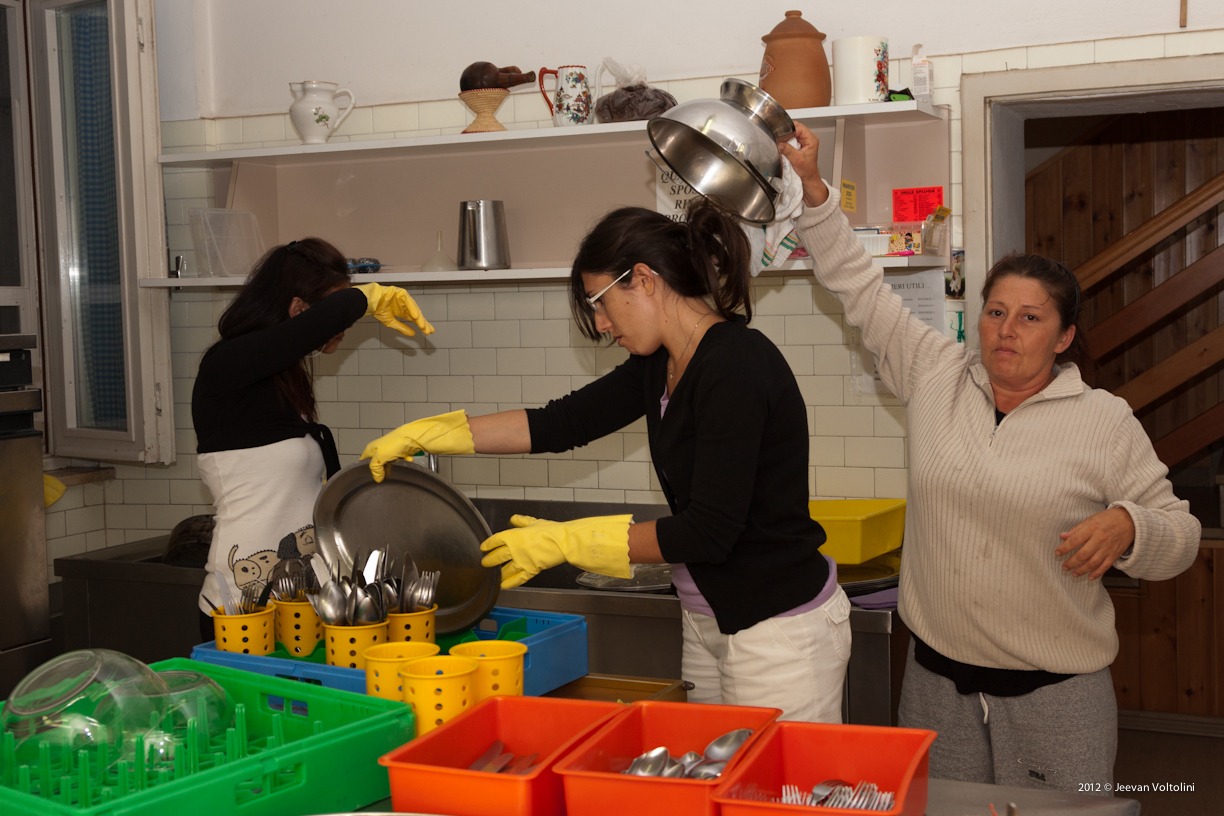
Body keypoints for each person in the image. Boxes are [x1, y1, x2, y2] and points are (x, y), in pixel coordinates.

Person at [779, 123, 1201, 790]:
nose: (1007, 331)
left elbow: (1181, 535)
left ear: (1063, 337)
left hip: (1057, 699)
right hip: (935, 689)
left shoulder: (1103, 420)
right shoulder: (934, 374)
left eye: (1030, 318)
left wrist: (1130, 524)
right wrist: (813, 188)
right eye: (995, 312)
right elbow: (859, 287)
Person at [361, 201, 852, 722]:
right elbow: (562, 423)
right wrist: (435, 434)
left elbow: (709, 531)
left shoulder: (735, 366)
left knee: (777, 775)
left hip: (778, 629)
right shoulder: (659, 362)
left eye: (600, 302)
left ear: (643, 279)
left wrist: (567, 541)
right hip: (706, 617)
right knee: (711, 771)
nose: (600, 324)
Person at [192, 237, 434, 640]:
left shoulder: (280, 381)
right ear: (299, 310)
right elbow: (329, 317)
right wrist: (367, 297)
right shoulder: (227, 364)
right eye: (335, 315)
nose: (344, 329)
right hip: (241, 606)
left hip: (305, 601)